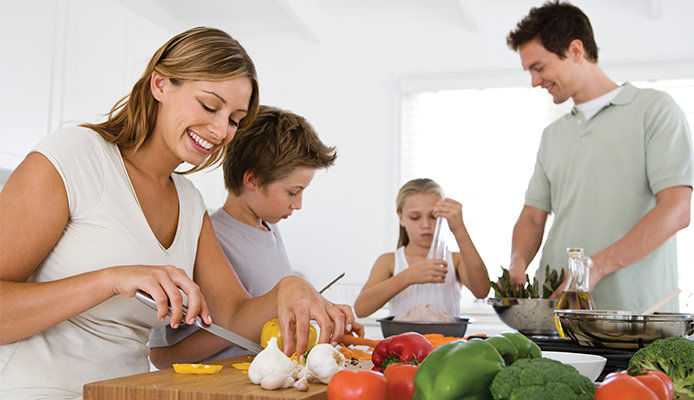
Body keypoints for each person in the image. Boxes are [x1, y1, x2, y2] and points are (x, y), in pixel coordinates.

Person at [0, 27, 357, 399]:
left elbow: (233, 316)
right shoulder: (75, 156)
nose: (221, 130)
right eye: (209, 105)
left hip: (127, 391)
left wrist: (292, 288)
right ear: (160, 84)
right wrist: (110, 279)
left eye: (234, 119)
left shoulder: (189, 202)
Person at [506, 1, 693, 312]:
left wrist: (594, 268)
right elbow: (532, 216)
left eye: (538, 67)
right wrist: (517, 262)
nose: (534, 81)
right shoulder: (553, 135)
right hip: (557, 316)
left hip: (636, 315)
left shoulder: (654, 110)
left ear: (576, 50)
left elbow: (677, 209)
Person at [148, 105, 348, 366]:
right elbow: (163, 354)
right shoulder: (209, 237)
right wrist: (256, 321)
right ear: (252, 180)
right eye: (292, 192)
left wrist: (317, 310)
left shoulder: (269, 229)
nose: (298, 204)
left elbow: (269, 313)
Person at [353, 178, 489, 318]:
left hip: (449, 339)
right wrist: (409, 276)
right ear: (401, 217)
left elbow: (482, 291)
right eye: (415, 217)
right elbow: (361, 310)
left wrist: (459, 228)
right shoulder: (388, 261)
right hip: (401, 340)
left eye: (433, 216)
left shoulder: (455, 260)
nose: (425, 224)